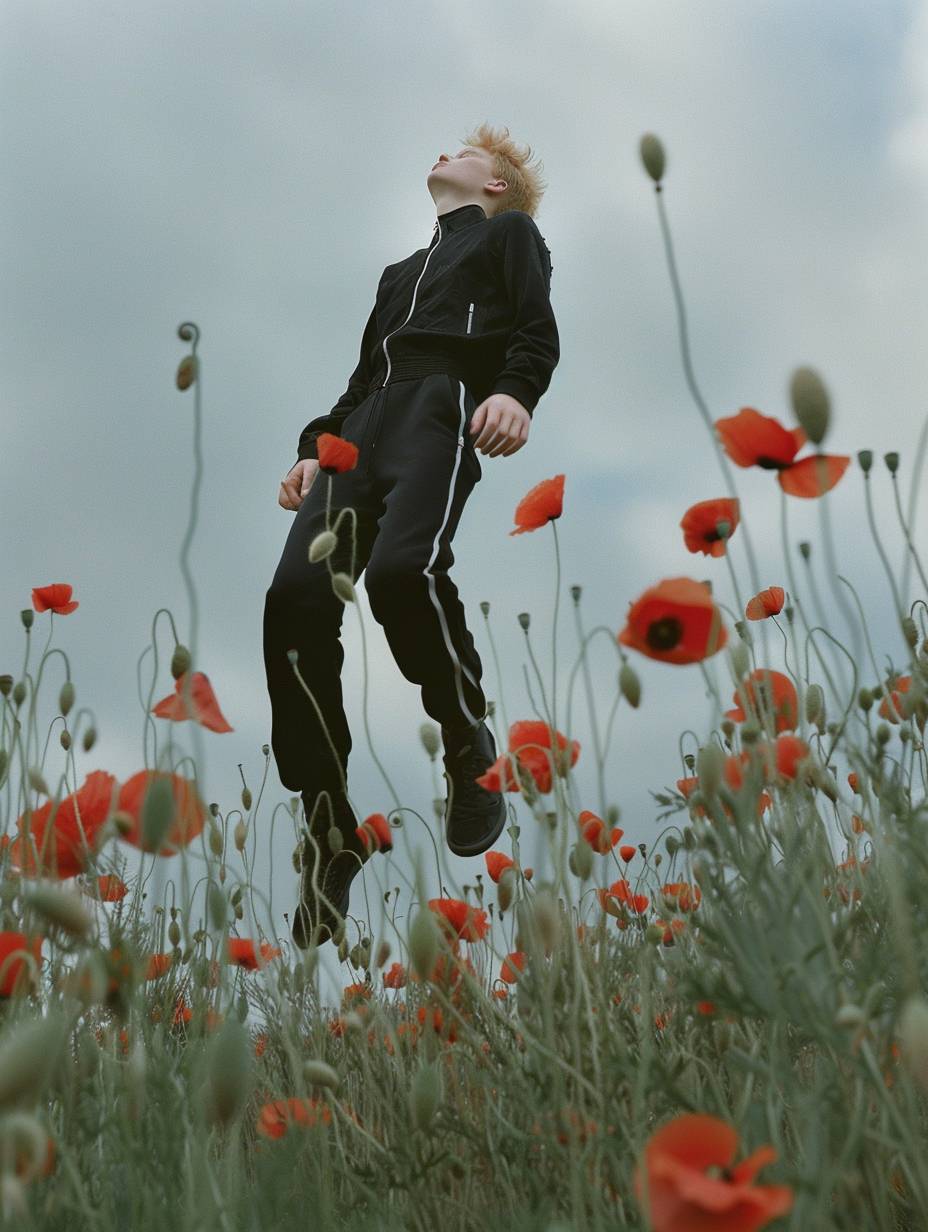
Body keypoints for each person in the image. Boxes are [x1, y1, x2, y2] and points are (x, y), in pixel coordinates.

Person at [263, 122, 560, 949]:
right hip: (360, 431)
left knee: (403, 575)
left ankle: (468, 744)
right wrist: (314, 450)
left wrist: (515, 392)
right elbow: (362, 376)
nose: (443, 153)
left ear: (495, 184)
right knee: (291, 601)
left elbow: (536, 329)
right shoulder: (398, 275)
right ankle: (330, 833)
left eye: (462, 153)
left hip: (443, 409)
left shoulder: (510, 236)